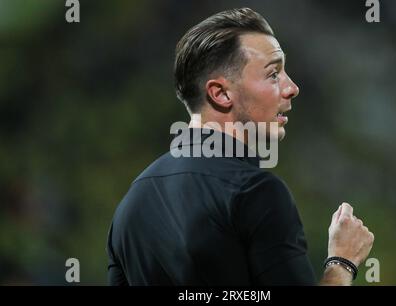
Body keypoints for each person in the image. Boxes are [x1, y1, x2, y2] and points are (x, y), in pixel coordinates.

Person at [106, 7, 374, 286]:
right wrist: (341, 263)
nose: (292, 87)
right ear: (220, 94)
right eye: (273, 74)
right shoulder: (256, 192)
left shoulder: (131, 204)